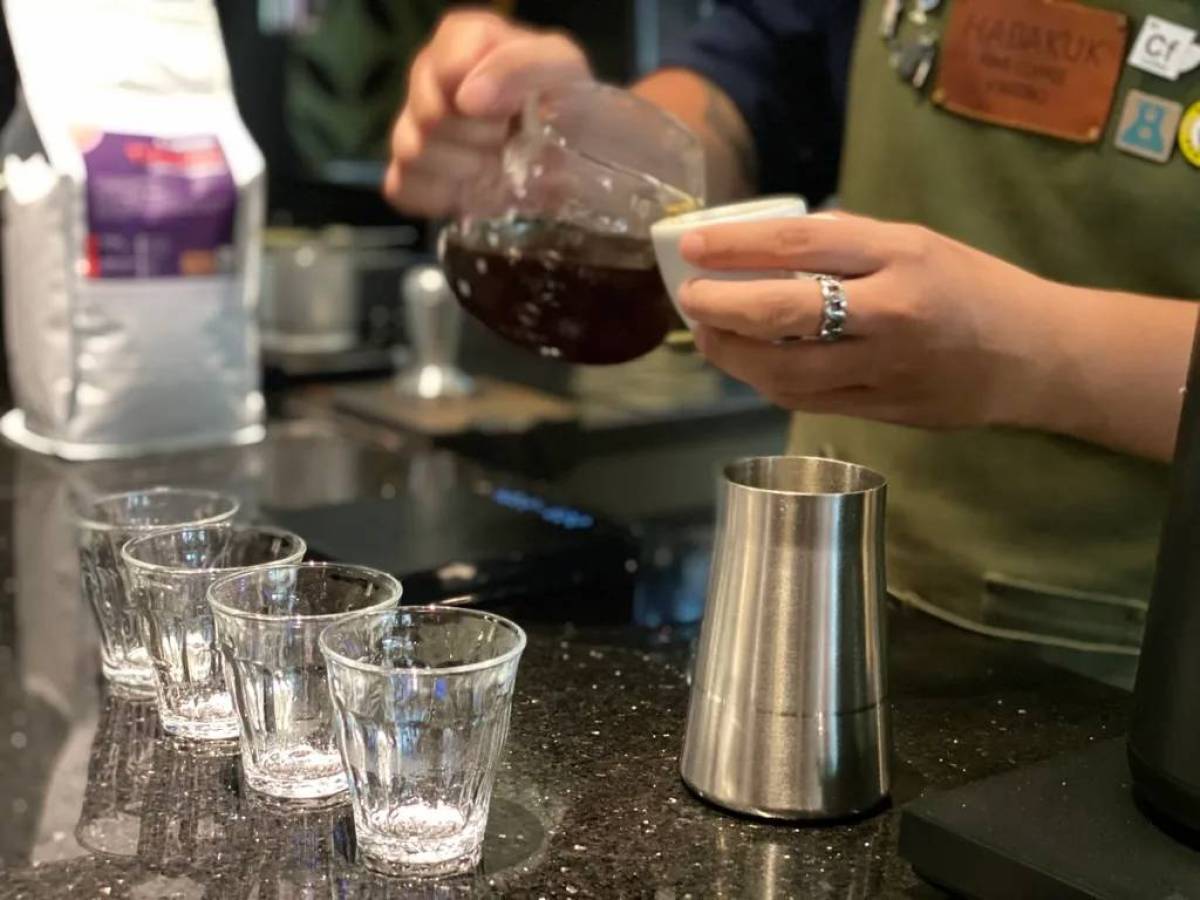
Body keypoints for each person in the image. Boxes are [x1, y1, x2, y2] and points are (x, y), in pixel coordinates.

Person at [383, 2, 1200, 652]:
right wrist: (601, 142)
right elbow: (759, 79)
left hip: (1139, 676)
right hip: (830, 594)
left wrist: (1028, 350)